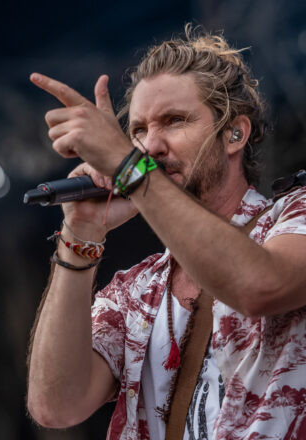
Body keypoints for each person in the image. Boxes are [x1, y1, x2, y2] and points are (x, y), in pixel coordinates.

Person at [26, 25, 306, 439]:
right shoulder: (136, 290)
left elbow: (258, 286)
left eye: (174, 121)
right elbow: (55, 405)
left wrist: (129, 166)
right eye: (138, 131)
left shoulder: (293, 219)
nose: (150, 146)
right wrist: (80, 230)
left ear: (234, 134)